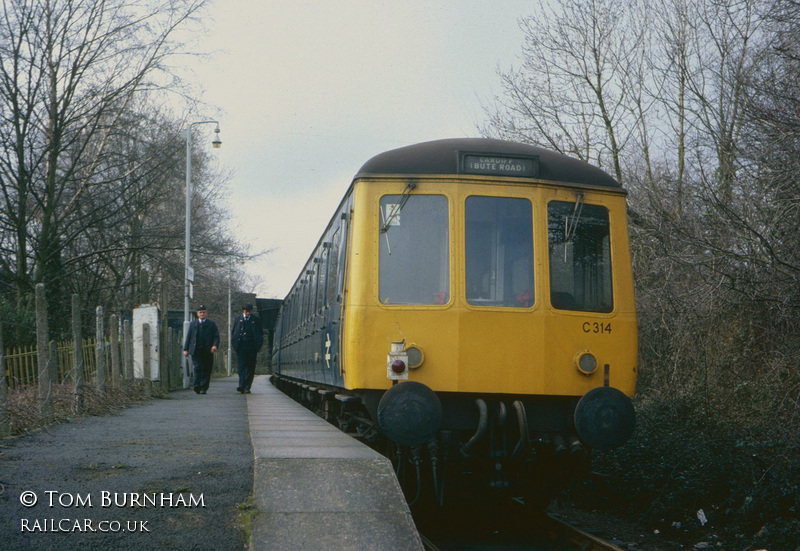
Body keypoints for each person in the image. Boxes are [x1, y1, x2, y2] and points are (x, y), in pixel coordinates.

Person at [183, 305, 220, 394]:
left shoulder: (211, 324)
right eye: (200, 312)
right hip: (196, 350)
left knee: (206, 370)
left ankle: (204, 388)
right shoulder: (193, 324)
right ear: (197, 314)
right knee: (198, 368)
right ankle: (196, 385)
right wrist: (186, 349)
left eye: (204, 312)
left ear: (206, 313)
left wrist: (214, 345)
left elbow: (216, 336)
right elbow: (189, 337)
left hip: (207, 351)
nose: (202, 314)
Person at [231, 303, 264, 394]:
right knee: (241, 367)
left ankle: (247, 387)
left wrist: (258, 345)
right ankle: (241, 385)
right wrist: (234, 344)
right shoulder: (238, 318)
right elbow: (234, 331)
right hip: (241, 346)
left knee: (250, 367)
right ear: (243, 311)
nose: (248, 313)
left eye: (249, 311)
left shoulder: (256, 319)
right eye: (246, 311)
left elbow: (260, 333)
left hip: (252, 347)